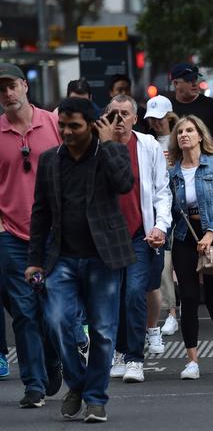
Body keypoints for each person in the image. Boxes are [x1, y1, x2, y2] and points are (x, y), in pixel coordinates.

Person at [26, 97, 136, 423]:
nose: (66, 131)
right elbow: (41, 213)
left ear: (91, 125)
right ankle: (78, 384)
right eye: (62, 125)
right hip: (61, 259)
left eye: (74, 126)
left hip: (103, 258)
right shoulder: (49, 161)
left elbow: (124, 184)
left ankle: (96, 398)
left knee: (103, 331)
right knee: (58, 322)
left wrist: (107, 145)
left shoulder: (110, 151)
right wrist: (34, 260)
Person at [0, 63, 62, 407]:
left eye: (12, 86)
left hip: (52, 234)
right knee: (23, 313)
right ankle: (34, 385)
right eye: (1, 89)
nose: (7, 94)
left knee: (52, 312)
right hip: (10, 235)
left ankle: (53, 360)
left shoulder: (52, 124)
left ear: (25, 86)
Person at [104, 95, 172, 383]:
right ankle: (118, 351)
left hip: (139, 234)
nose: (118, 119)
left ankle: (134, 358)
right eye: (113, 113)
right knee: (112, 296)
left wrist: (161, 226)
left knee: (134, 292)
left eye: (124, 113)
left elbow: (161, 191)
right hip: (105, 236)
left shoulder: (148, 145)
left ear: (135, 118)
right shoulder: (98, 148)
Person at [168, 115, 213, 380]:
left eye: (189, 130)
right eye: (180, 132)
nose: (184, 134)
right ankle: (192, 360)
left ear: (200, 135)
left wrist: (212, 232)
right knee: (188, 298)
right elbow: (171, 209)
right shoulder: (172, 172)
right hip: (186, 237)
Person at [144, 95, 180, 336]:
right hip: (161, 209)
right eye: (152, 119)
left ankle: (179, 308)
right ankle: (172, 312)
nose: (156, 123)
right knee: (165, 263)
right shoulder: (147, 143)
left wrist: (174, 161)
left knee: (185, 264)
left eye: (159, 119)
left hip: (184, 207)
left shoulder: (182, 137)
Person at [169, 63, 213, 160]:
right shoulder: (168, 107)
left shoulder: (210, 105)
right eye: (188, 80)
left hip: (208, 167)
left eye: (195, 79)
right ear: (176, 84)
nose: (194, 83)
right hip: (178, 168)